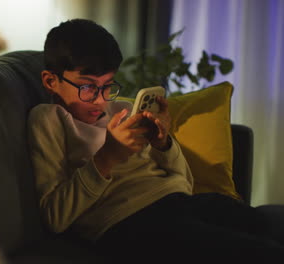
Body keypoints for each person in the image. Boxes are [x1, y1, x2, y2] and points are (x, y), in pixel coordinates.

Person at [27, 18, 284, 262]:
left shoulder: (119, 111)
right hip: (129, 222)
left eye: (108, 86)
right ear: (51, 81)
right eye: (88, 87)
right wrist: (107, 157)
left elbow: (185, 182)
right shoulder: (48, 119)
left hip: (179, 202)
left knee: (261, 223)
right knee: (260, 254)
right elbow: (55, 216)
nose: (100, 99)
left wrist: (164, 144)